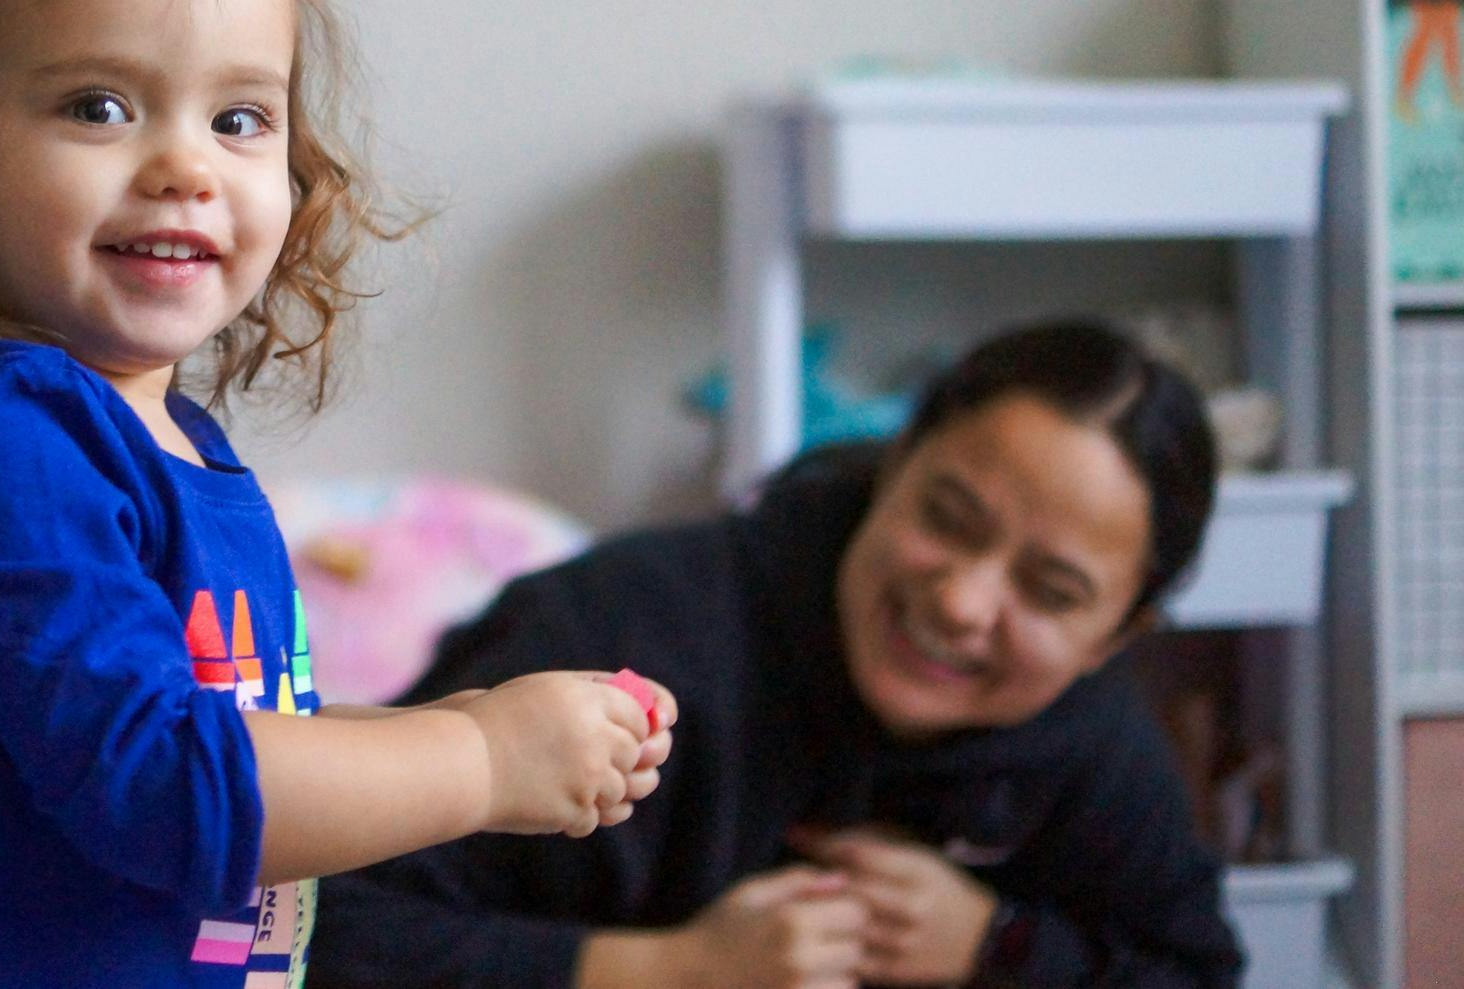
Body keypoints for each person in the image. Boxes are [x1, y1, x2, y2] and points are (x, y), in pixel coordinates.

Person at [0, 0, 675, 989]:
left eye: (240, 117)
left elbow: (230, 742)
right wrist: (477, 759)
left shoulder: (162, 437)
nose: (187, 165)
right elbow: (161, 782)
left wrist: (458, 734)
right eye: (99, 106)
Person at [311, 319, 1247, 989]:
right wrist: (666, 970)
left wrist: (994, 945)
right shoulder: (616, 636)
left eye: (1050, 592)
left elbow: (1196, 964)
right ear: (895, 459)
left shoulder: (1090, 743)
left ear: (1118, 636)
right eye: (946, 519)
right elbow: (314, 925)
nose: (963, 602)